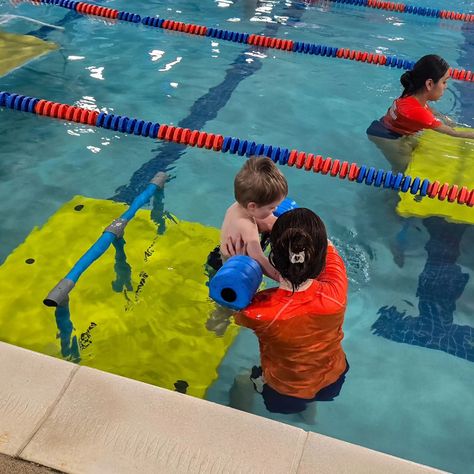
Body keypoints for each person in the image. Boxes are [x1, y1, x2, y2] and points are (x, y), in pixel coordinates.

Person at [232, 208, 349, 418]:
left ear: (273, 257)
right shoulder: (336, 290)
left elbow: (228, 312)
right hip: (334, 378)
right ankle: (309, 418)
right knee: (311, 398)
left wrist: (236, 264)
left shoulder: (258, 312)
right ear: (318, 258)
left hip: (286, 391)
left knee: (242, 379)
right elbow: (328, 245)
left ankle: (238, 425)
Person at [367, 54, 474, 173]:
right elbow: (454, 134)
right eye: (444, 82)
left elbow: (429, 110)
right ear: (429, 84)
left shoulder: (412, 94)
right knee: (405, 171)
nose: (446, 87)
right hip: (386, 137)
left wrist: (445, 119)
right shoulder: (418, 112)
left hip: (391, 128)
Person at [219, 156, 288, 282]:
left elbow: (266, 219)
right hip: (232, 273)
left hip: (221, 257)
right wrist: (285, 279)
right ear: (252, 206)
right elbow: (259, 261)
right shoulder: (246, 225)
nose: (275, 209)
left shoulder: (237, 207)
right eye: (272, 207)